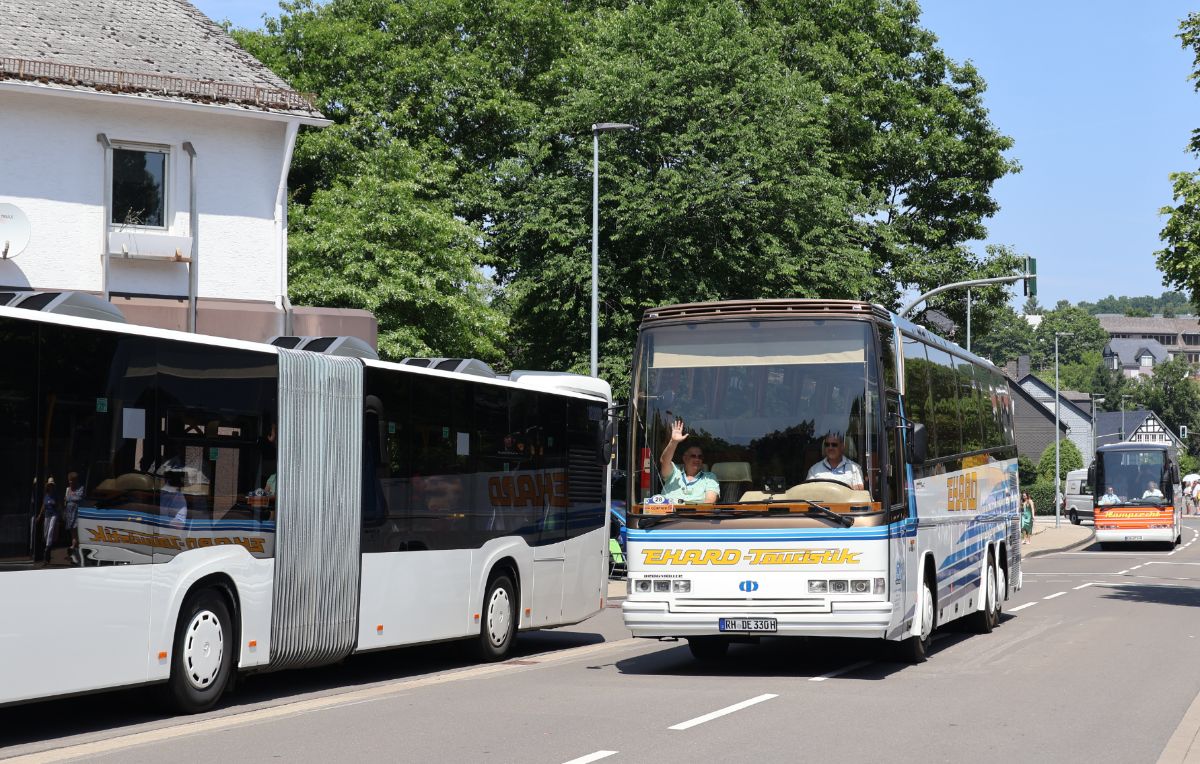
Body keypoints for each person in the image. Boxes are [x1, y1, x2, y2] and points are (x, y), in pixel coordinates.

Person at [658, 420, 719, 503]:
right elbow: (664, 461)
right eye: (693, 456)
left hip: (696, 515)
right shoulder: (674, 473)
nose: (697, 459)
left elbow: (709, 502)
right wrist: (674, 442)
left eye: (700, 457)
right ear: (685, 458)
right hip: (667, 515)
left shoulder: (709, 477)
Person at [62, 471, 84, 563]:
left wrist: (68, 498)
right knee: (73, 535)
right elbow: (65, 501)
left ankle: (73, 552)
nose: (70, 482)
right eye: (69, 480)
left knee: (76, 534)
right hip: (69, 514)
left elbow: (79, 498)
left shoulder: (80, 488)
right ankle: (74, 556)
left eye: (72, 481)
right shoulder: (67, 489)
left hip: (76, 514)